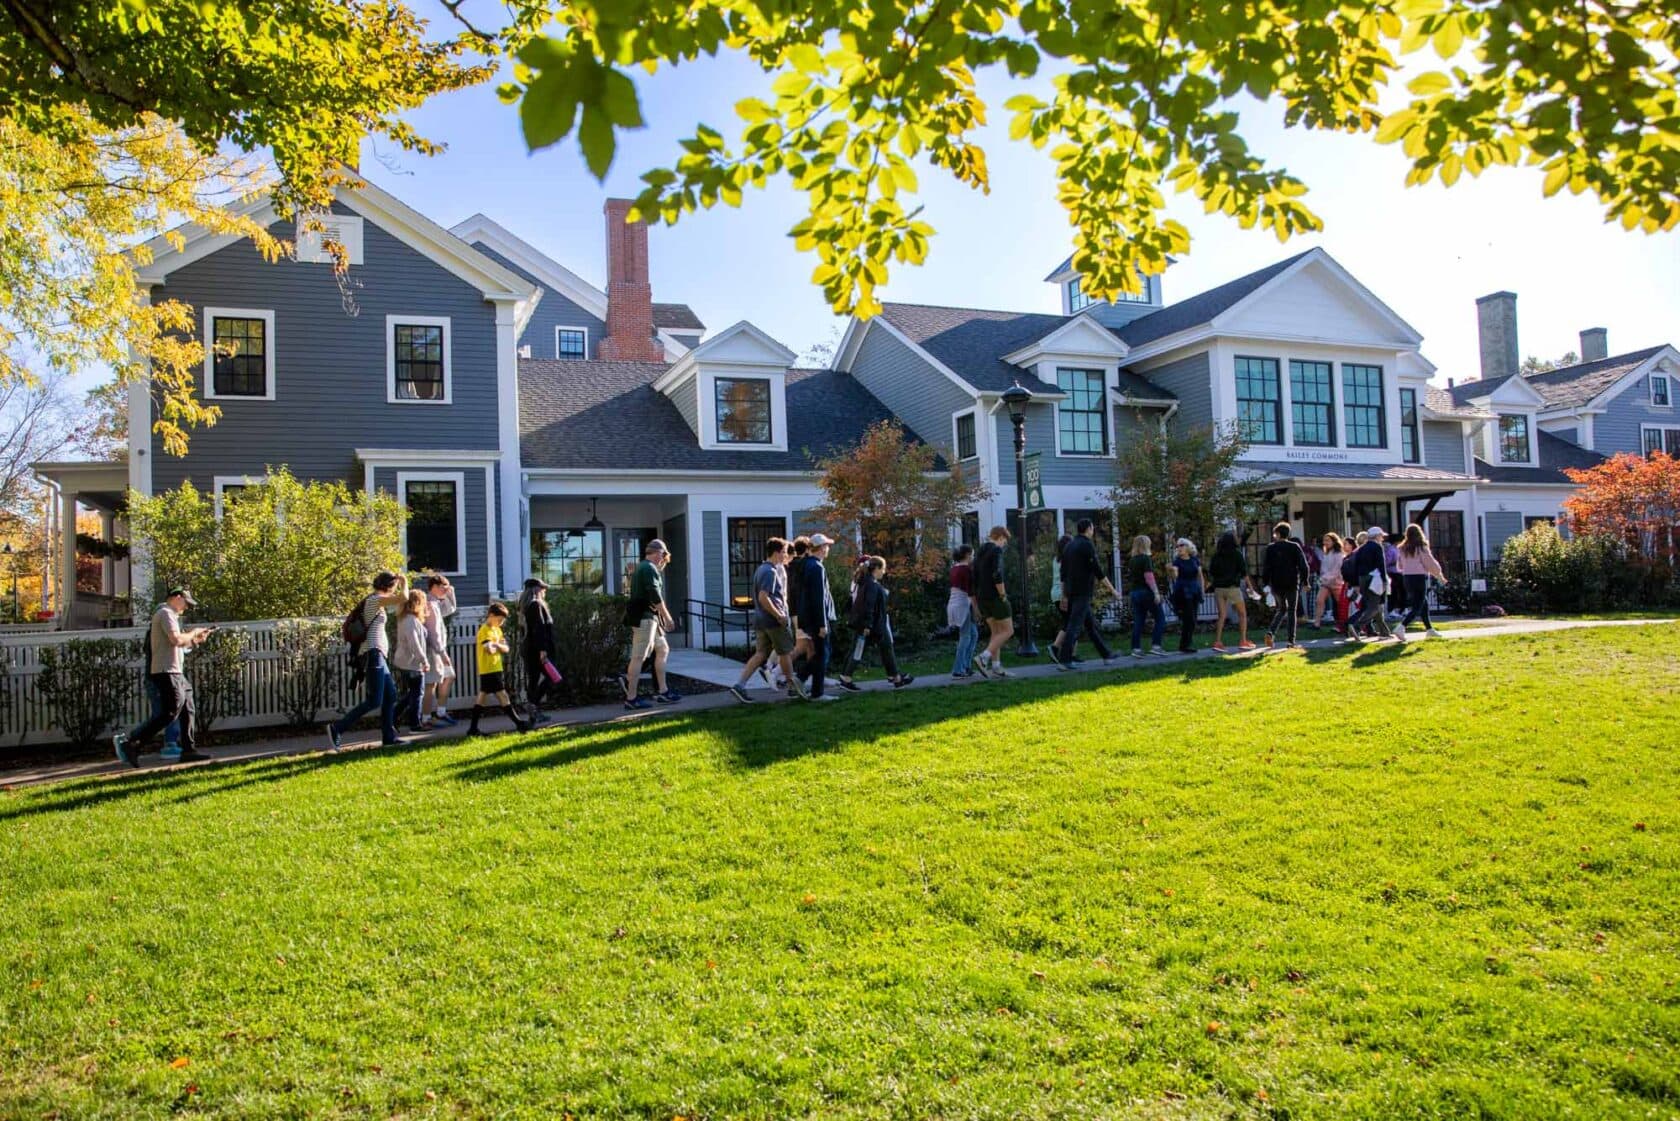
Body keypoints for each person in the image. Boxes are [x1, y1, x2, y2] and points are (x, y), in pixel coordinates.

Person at [113, 587, 211, 766]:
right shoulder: (165, 613)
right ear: (177, 597)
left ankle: (189, 750)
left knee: (188, 708)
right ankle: (133, 743)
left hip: (176, 671)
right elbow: (176, 640)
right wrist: (194, 632)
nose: (186, 607)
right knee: (170, 712)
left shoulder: (171, 616)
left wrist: (196, 639)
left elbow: (177, 644)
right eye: (186, 603)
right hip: (166, 671)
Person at [327, 571, 410, 752]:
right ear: (390, 585)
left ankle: (389, 737)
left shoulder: (376, 601)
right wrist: (404, 581)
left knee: (390, 696)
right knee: (375, 700)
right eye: (394, 585)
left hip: (378, 654)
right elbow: (404, 597)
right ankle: (337, 728)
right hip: (373, 653)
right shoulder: (375, 600)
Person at [730, 536, 807, 703]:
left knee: (761, 654)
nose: (786, 555)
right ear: (776, 553)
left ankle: (740, 685)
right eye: (784, 552)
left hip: (760, 620)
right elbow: (763, 597)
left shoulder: (760, 569)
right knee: (785, 653)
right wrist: (779, 615)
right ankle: (792, 687)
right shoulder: (770, 571)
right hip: (773, 621)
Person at [838, 555, 915, 690]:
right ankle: (846, 677)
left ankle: (895, 676)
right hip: (872, 625)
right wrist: (867, 625)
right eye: (883, 569)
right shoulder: (871, 585)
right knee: (858, 650)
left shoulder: (866, 582)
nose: (884, 572)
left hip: (875, 623)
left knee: (883, 648)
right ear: (877, 569)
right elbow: (868, 605)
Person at [1052, 518, 1118, 668]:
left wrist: (1064, 595)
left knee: (1090, 625)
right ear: (1089, 529)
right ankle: (1065, 660)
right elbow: (1097, 570)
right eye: (1092, 528)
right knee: (1074, 626)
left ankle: (1106, 654)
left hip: (1071, 591)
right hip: (1082, 592)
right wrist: (1112, 590)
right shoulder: (1087, 545)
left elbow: (1063, 573)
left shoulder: (1069, 546)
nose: (1093, 530)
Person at [624, 538, 679, 709]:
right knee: (639, 656)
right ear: (657, 552)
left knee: (662, 649)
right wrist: (668, 617)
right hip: (645, 618)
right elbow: (656, 596)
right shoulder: (648, 568)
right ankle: (631, 698)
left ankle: (663, 691)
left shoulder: (645, 567)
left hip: (649, 618)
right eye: (663, 555)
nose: (663, 558)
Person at [469, 602, 532, 735]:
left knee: (483, 696)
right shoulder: (484, 631)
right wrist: (497, 645)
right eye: (499, 619)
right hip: (488, 668)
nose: (501, 622)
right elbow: (489, 650)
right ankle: (519, 723)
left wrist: (496, 644)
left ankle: (473, 728)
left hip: (496, 667)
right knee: (502, 695)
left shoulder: (497, 630)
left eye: (502, 620)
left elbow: (506, 648)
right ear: (491, 615)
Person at [793, 533, 839, 700]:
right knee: (823, 654)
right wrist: (822, 624)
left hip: (806, 618)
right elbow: (818, 597)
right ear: (820, 548)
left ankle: (811, 687)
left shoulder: (805, 565)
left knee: (821, 653)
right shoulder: (817, 567)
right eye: (826, 546)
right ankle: (806, 682)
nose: (828, 549)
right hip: (817, 620)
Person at [1260, 522, 1312, 648]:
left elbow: (1266, 568)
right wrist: (1306, 581)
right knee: (1291, 611)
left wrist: (1266, 583)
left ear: (1277, 534)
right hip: (1292, 582)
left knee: (1281, 609)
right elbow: (1303, 566)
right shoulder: (1294, 546)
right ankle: (1290, 641)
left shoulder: (1270, 548)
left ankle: (1271, 632)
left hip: (1276, 583)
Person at [971, 525, 1013, 678]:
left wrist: (975, 602)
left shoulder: (980, 551)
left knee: (996, 632)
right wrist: (1002, 594)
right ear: (1001, 537)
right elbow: (997, 573)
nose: (1004, 545)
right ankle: (983, 657)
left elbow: (973, 578)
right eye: (1005, 541)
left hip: (982, 598)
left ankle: (996, 666)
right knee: (1008, 630)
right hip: (995, 596)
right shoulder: (996, 550)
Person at [1395, 522, 1446, 640]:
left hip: (1407, 578)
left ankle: (1429, 629)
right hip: (1419, 577)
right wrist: (1439, 575)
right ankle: (1402, 626)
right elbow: (1430, 563)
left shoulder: (1402, 548)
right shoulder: (1421, 547)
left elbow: (1400, 565)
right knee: (1418, 605)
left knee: (1424, 603)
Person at [518, 576, 558, 724]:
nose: (544, 590)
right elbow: (539, 629)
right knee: (552, 677)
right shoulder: (536, 605)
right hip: (539, 650)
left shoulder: (524, 606)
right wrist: (543, 650)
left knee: (533, 681)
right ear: (536, 590)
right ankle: (533, 705)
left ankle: (533, 714)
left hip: (529, 649)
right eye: (542, 588)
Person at [1207, 532, 1256, 652]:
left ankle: (1218, 641)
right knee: (1242, 614)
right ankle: (1243, 640)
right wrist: (1250, 587)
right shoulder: (1237, 555)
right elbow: (1244, 573)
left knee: (1222, 616)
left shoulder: (1216, 556)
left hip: (1219, 589)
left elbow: (1211, 572)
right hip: (1232, 588)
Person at [390, 589, 431, 731]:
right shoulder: (410, 621)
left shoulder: (406, 618)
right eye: (423, 602)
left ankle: (393, 717)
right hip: (412, 663)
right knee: (417, 694)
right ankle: (414, 723)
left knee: (412, 693)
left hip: (406, 661)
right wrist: (424, 660)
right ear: (416, 603)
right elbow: (414, 643)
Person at [420, 574, 458, 726]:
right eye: (443, 586)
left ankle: (441, 712)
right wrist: (442, 653)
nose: (445, 589)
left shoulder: (435, 603)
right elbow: (433, 632)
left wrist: (451, 593)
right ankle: (426, 718)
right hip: (433, 651)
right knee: (431, 684)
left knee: (449, 676)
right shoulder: (429, 604)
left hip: (438, 650)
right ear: (434, 587)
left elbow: (450, 609)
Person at [1345, 526, 1395, 641]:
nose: (1382, 538)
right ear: (1377, 536)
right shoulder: (1377, 547)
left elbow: (1356, 565)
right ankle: (1356, 625)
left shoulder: (1362, 548)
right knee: (1374, 607)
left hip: (1362, 579)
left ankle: (1384, 631)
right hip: (1374, 578)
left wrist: (1356, 582)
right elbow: (1381, 564)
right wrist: (1384, 579)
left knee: (1373, 605)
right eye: (1381, 536)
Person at [1126, 535, 1170, 656]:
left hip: (1135, 592)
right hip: (1146, 592)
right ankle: (1156, 645)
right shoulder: (1146, 559)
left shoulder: (1132, 560)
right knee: (1160, 618)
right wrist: (1156, 592)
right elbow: (1149, 577)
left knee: (1139, 620)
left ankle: (1136, 648)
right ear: (1146, 545)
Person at [1168, 538, 1206, 654]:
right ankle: (1185, 645)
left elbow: (1200, 576)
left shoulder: (1194, 560)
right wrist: (1172, 571)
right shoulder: (1177, 561)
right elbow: (1175, 576)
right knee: (1188, 618)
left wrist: (1202, 590)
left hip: (1194, 590)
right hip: (1183, 592)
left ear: (1188, 547)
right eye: (1178, 546)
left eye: (1181, 545)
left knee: (1193, 618)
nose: (1179, 548)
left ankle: (1186, 643)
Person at [948, 545, 979, 678]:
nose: (973, 556)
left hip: (955, 603)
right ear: (967, 555)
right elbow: (970, 592)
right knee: (966, 636)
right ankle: (958, 668)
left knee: (973, 634)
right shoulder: (966, 570)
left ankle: (965, 665)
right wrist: (976, 609)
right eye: (972, 554)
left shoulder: (954, 568)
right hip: (963, 604)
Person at [1314, 534, 1347, 632]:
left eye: (1328, 540)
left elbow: (1337, 570)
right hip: (1326, 582)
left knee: (1339, 604)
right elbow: (1323, 568)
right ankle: (1317, 623)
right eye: (1324, 540)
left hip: (1336, 582)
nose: (1325, 543)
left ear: (1334, 541)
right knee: (1319, 600)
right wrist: (1323, 578)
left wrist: (1325, 578)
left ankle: (1342, 624)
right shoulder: (1327, 553)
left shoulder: (1339, 554)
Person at [1383, 531, 1405, 620]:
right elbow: (1387, 562)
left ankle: (1400, 609)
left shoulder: (1398, 549)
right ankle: (1391, 610)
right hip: (1392, 573)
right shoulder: (1391, 549)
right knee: (1393, 593)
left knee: (1401, 592)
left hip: (1399, 573)